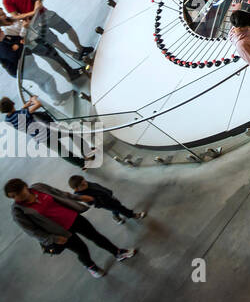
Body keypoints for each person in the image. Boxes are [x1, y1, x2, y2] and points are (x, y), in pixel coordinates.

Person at [6, 178, 135, 277]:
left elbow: (61, 194)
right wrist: (53, 238)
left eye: (18, 193)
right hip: (61, 233)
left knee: (96, 237)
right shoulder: (18, 211)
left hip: (74, 218)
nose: (17, 197)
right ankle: (91, 266)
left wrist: (79, 197)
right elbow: (32, 231)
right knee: (82, 249)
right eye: (13, 196)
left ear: (25, 186)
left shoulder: (39, 187)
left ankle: (118, 252)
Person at [2, 95, 86, 165]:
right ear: (12, 103)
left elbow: (18, 116)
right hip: (49, 131)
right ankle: (86, 152)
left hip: (41, 138)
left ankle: (81, 164)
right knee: (71, 133)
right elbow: (38, 104)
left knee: (62, 151)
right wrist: (34, 99)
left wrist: (25, 107)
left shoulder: (8, 120)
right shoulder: (21, 114)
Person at [68, 174, 145, 224]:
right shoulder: (82, 195)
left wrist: (109, 193)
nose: (86, 184)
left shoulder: (86, 184)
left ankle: (116, 217)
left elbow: (99, 187)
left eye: (85, 181)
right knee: (120, 208)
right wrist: (99, 202)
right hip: (104, 203)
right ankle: (132, 215)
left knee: (117, 207)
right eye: (82, 185)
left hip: (109, 196)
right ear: (76, 189)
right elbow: (91, 203)